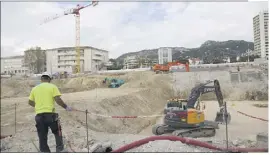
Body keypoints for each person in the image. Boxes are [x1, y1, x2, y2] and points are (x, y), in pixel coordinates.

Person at [28, 72, 73, 152]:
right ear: (49, 79)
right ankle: (59, 151)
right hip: (50, 115)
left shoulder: (34, 89)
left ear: (41, 79)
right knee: (57, 133)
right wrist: (66, 107)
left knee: (42, 136)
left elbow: (30, 102)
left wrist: (38, 107)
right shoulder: (52, 87)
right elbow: (58, 99)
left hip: (39, 116)